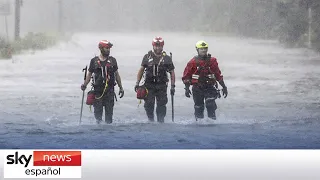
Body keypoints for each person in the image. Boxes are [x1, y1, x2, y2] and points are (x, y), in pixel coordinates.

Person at [182, 40, 228, 120]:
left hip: (209, 87)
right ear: (197, 50)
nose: (204, 50)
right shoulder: (192, 62)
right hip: (197, 88)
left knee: (210, 104)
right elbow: (186, 76)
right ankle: (199, 124)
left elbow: (218, 74)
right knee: (198, 107)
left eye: (205, 48)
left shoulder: (212, 61)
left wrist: (224, 87)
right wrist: (186, 88)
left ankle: (212, 122)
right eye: (201, 49)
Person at [81, 40, 124, 124]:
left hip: (109, 92)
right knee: (98, 119)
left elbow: (117, 75)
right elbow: (89, 75)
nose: (108, 50)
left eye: (109, 48)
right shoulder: (94, 61)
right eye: (106, 48)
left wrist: (121, 87)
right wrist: (84, 85)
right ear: (101, 48)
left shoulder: (113, 60)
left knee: (109, 119)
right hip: (97, 93)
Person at [135, 37, 175, 123]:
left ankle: (160, 122)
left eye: (160, 46)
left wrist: (173, 86)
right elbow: (141, 70)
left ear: (162, 46)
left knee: (161, 105)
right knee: (149, 104)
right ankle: (151, 120)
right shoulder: (147, 57)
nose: (158, 48)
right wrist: (137, 83)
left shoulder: (167, 58)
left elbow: (172, 73)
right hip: (149, 85)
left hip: (162, 86)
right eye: (156, 46)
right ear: (153, 46)